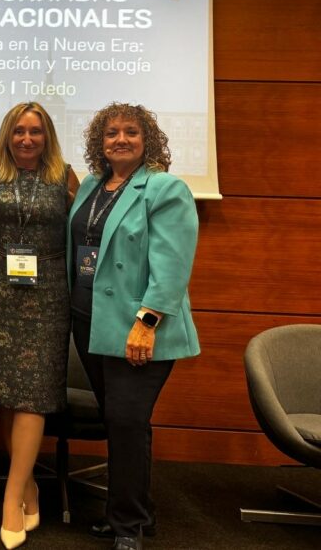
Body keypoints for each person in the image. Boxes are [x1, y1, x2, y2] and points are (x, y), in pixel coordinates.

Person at [67, 103, 199, 550]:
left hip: (137, 327)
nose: (120, 139)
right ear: (99, 143)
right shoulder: (91, 185)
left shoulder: (164, 188)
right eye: (111, 133)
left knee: (125, 420)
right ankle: (138, 513)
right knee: (124, 421)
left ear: (148, 140)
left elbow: (172, 266)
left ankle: (126, 525)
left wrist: (147, 321)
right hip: (89, 321)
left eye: (130, 132)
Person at [0, 102, 79, 549]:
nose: (27, 139)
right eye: (19, 131)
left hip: (48, 293)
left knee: (33, 393)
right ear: (7, 135)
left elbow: (80, 229)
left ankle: (11, 499)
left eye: (36, 131)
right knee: (5, 393)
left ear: (47, 135)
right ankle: (28, 483)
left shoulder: (65, 176)